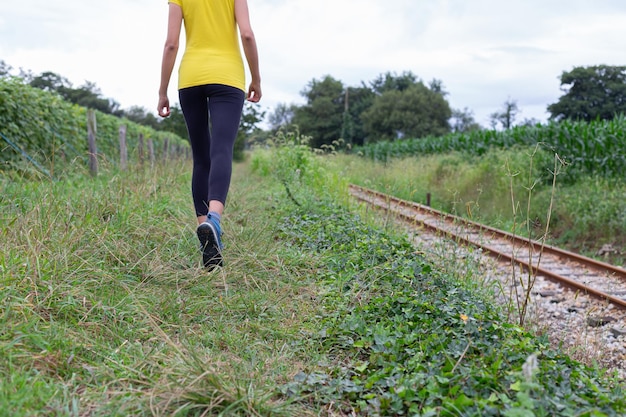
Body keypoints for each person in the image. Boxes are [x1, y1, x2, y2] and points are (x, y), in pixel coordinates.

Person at [157, 0, 261, 270]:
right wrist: (256, 79)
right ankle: (214, 219)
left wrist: (162, 91)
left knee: (201, 157)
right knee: (221, 150)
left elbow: (171, 43)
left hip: (190, 78)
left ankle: (204, 230)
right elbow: (247, 34)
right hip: (227, 77)